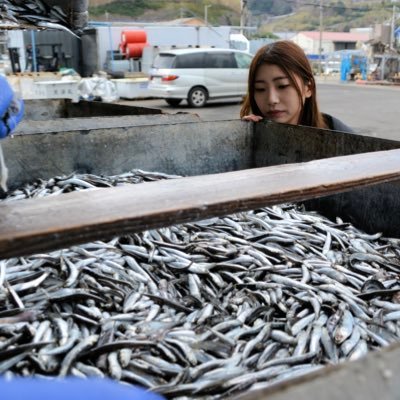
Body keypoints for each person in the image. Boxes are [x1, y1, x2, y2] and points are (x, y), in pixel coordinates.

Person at [241, 41, 352, 132]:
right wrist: (245, 136)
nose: (271, 99)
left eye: (282, 86)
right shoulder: (250, 135)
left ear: (308, 88)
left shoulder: (338, 134)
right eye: (260, 89)